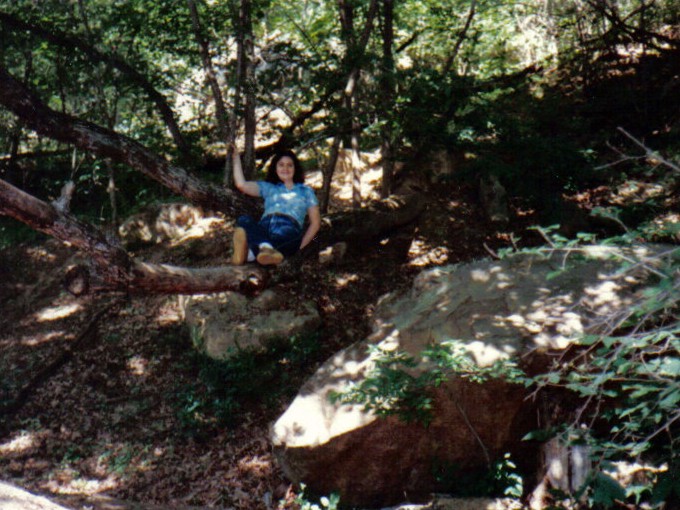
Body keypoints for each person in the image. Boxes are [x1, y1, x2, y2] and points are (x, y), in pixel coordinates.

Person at [231, 148, 321, 266]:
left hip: (288, 229)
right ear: (275, 168)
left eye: (290, 165)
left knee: (278, 238)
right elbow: (241, 185)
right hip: (265, 226)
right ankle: (262, 250)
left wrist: (300, 246)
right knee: (243, 220)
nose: (285, 169)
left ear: (295, 168)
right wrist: (236, 158)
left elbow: (315, 223)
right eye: (281, 165)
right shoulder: (269, 187)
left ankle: (251, 253)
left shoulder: (306, 191)